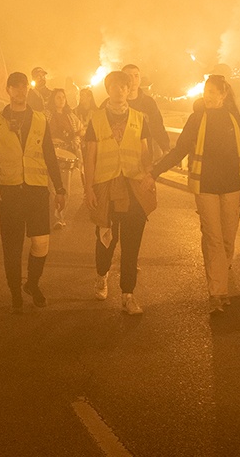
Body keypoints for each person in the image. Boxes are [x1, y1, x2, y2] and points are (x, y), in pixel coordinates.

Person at [152, 75, 240, 314]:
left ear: (223, 95)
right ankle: (217, 292)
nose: (208, 96)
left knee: (228, 238)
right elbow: (180, 150)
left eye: (213, 92)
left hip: (232, 188)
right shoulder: (197, 118)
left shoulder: (235, 120)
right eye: (206, 91)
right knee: (214, 238)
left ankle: (219, 279)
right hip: (206, 188)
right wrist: (155, 171)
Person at [0, 73, 67, 312]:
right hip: (9, 191)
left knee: (41, 243)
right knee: (11, 247)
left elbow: (50, 155)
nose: (20, 91)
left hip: (36, 190)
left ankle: (32, 284)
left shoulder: (40, 119)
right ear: (8, 90)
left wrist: (60, 187)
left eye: (23, 87)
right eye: (15, 87)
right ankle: (15, 294)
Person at [83, 70, 157, 315]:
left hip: (133, 187)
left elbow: (146, 151)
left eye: (123, 86)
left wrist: (149, 175)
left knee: (132, 243)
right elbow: (90, 156)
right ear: (108, 89)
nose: (119, 90)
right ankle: (102, 274)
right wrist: (88, 189)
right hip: (106, 187)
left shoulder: (140, 118)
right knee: (106, 239)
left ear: (129, 89)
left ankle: (128, 294)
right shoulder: (95, 118)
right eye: (114, 86)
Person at [47, 89, 82, 230]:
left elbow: (79, 131)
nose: (61, 100)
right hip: (51, 154)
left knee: (65, 187)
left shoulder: (72, 117)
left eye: (63, 97)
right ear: (53, 100)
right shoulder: (46, 115)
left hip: (67, 154)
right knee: (52, 188)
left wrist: (76, 140)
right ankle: (54, 217)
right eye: (58, 97)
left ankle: (61, 217)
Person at [122, 64, 171, 162]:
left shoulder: (148, 103)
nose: (133, 80)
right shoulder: (113, 103)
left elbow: (157, 127)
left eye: (136, 76)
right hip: (121, 157)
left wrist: (166, 148)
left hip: (144, 157)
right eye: (129, 76)